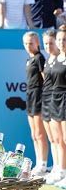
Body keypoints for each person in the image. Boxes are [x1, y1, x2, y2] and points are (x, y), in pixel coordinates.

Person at [41, 29, 66, 185]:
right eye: (59, 40)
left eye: (64, 40)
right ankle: (59, 169)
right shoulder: (56, 59)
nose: (61, 43)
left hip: (64, 100)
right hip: (54, 101)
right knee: (57, 139)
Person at [22, 31, 48, 176]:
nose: (28, 46)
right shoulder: (29, 59)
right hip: (30, 96)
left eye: (31, 43)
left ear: (37, 43)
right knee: (34, 134)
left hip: (39, 96)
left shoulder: (39, 58)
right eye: (25, 43)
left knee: (39, 133)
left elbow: (45, 79)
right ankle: (38, 163)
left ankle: (43, 164)